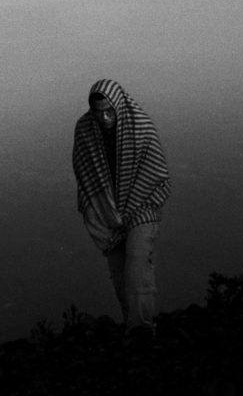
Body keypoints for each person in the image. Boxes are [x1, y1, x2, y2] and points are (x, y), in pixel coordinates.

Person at [71, 78, 171, 333]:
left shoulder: (140, 127)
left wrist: (129, 207)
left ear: (119, 105)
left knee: (137, 264)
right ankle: (131, 322)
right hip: (106, 211)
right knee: (118, 273)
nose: (104, 118)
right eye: (98, 112)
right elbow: (83, 170)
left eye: (109, 111)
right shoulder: (85, 129)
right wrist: (102, 209)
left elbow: (156, 174)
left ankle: (142, 329)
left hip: (142, 205)